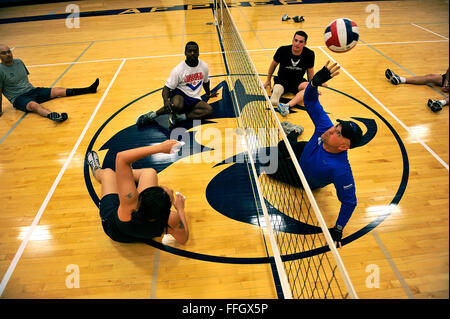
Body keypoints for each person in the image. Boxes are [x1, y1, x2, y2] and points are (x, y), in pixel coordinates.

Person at [266, 61, 363, 248]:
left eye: (338, 133)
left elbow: (350, 201)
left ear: (344, 147)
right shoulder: (325, 128)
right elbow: (310, 100)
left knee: (268, 164)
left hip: (303, 177)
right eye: (337, 126)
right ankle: (293, 133)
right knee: (280, 146)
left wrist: (338, 228)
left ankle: (292, 134)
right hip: (308, 150)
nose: (332, 130)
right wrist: (313, 83)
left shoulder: (341, 170)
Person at [86, 139, 189, 244]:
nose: (171, 190)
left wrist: (160, 148)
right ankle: (125, 175)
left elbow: (121, 157)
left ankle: (98, 171)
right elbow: (183, 239)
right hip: (145, 235)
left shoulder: (129, 203)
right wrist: (180, 209)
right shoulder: (171, 219)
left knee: (108, 173)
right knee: (150, 173)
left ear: (142, 196)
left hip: (115, 230)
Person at [0, 44, 99, 121]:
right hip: (19, 98)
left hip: (32, 90)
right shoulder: (0, 70)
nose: (8, 54)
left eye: (9, 52)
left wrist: (34, 92)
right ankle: (54, 116)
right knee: (33, 106)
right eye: (4, 53)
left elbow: (24, 80)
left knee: (58, 91)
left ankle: (89, 89)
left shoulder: (19, 62)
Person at [136, 41, 218, 129]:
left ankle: (179, 118)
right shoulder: (178, 70)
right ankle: (152, 115)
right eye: (189, 51)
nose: (192, 53)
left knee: (208, 111)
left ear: (198, 53)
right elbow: (166, 89)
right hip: (180, 95)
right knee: (176, 106)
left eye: (195, 51)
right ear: (185, 53)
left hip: (194, 98)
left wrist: (209, 94)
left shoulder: (204, 66)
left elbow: (206, 82)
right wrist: (166, 100)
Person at [263, 31, 315, 116]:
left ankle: (287, 105)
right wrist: (268, 80)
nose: (297, 43)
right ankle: (279, 97)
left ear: (305, 43)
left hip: (298, 82)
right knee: (274, 101)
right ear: (292, 40)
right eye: (295, 40)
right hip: (282, 80)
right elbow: (273, 65)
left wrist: (312, 87)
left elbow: (310, 72)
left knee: (308, 88)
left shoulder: (309, 54)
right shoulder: (282, 50)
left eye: (301, 42)